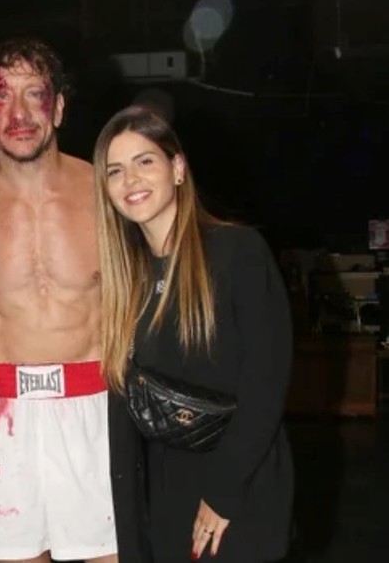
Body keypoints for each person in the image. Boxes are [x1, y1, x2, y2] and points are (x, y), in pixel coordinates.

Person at [0, 37, 149, 563]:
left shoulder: (110, 193)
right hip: (0, 416)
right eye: (1, 96)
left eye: (34, 94)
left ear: (58, 107)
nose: (18, 113)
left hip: (94, 407)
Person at [93, 105, 294, 563]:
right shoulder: (128, 278)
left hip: (237, 489)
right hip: (164, 498)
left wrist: (223, 495)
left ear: (177, 168)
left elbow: (267, 385)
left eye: (145, 161)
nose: (131, 181)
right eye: (115, 171)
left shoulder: (236, 252)